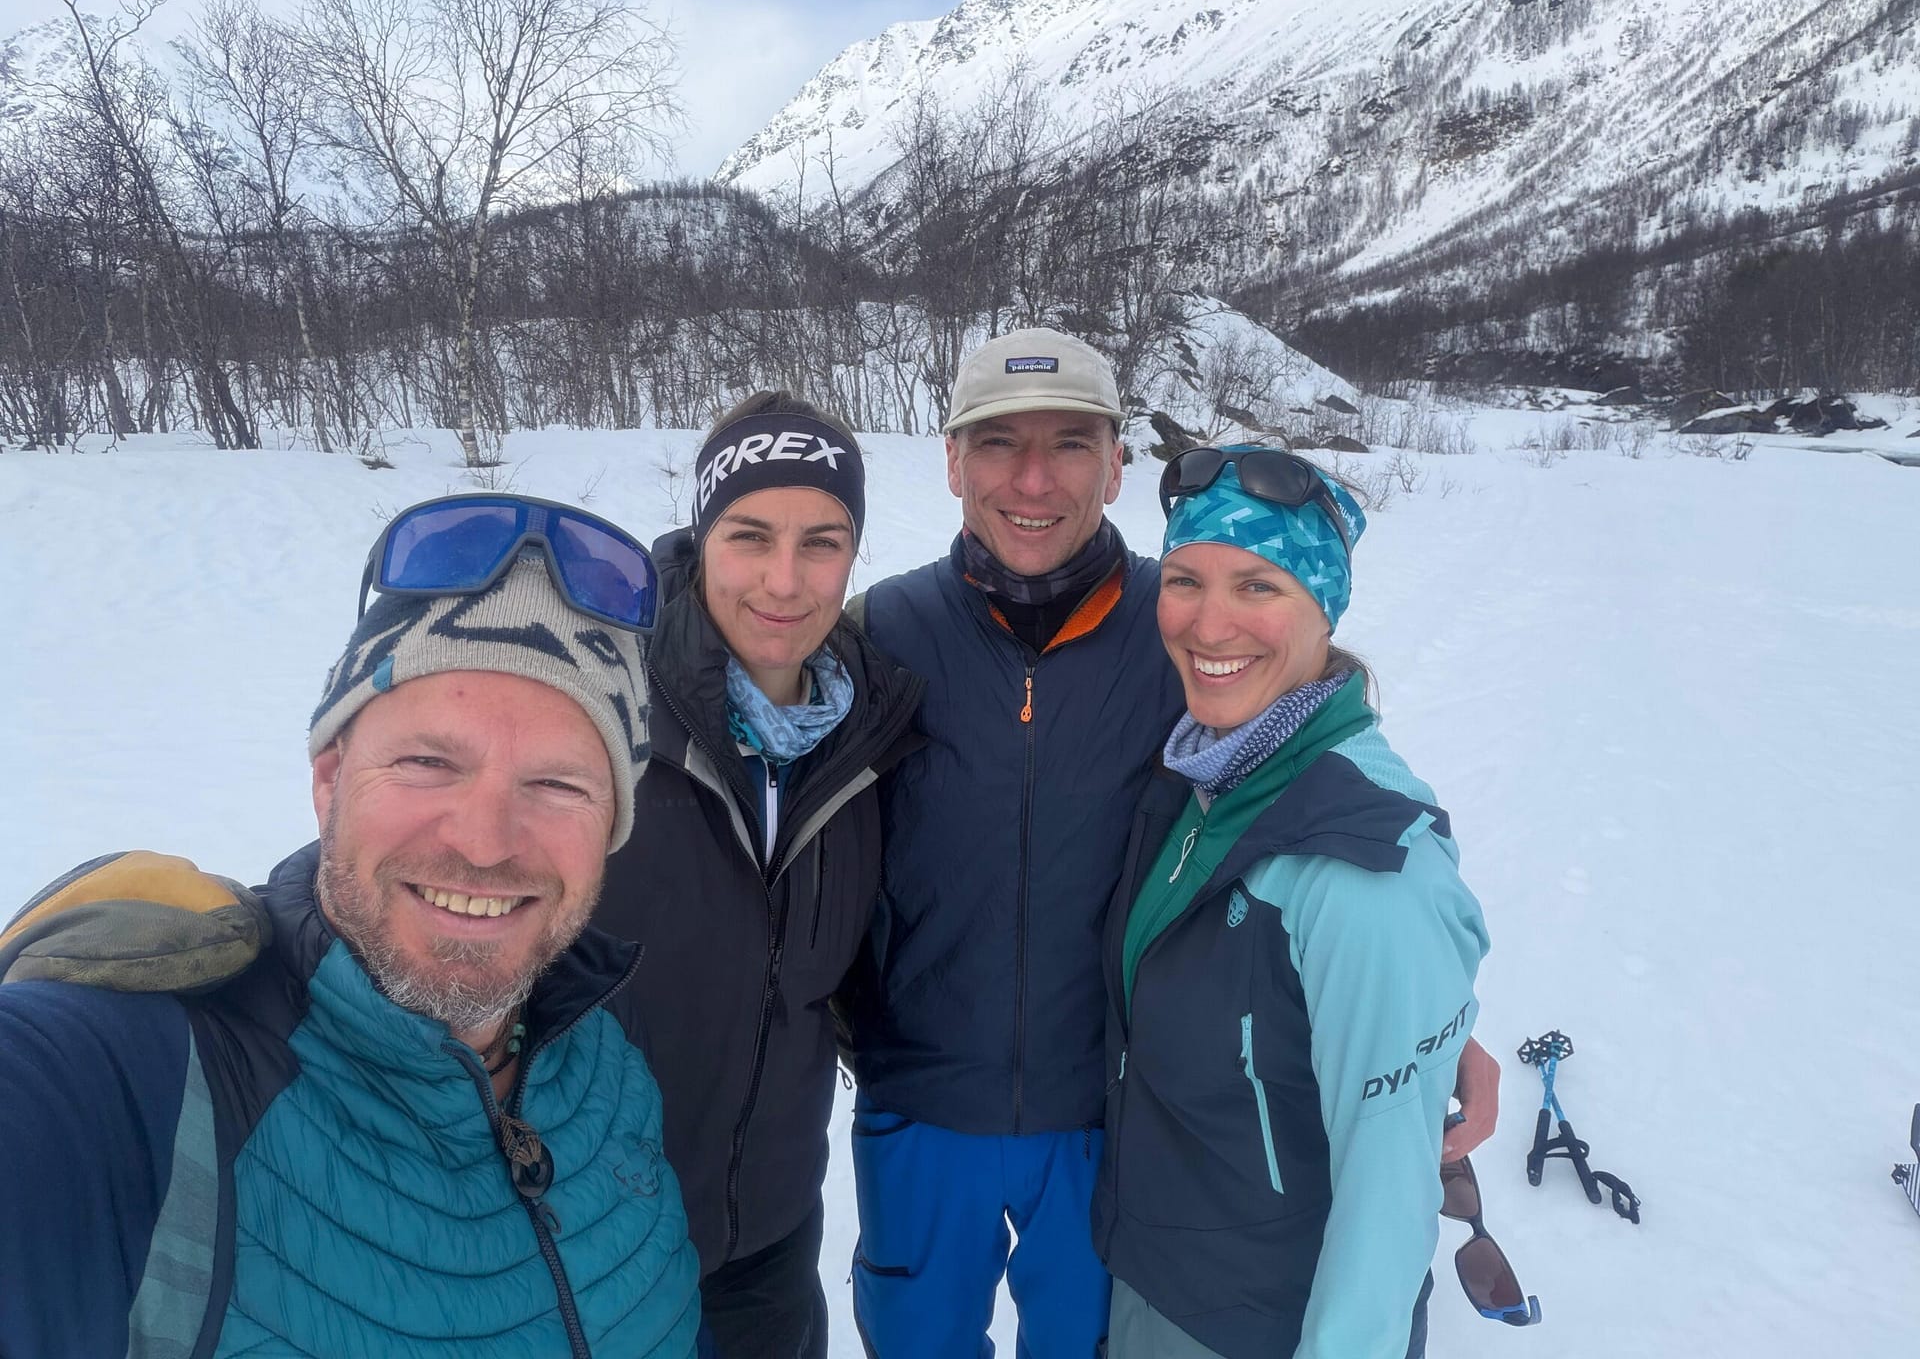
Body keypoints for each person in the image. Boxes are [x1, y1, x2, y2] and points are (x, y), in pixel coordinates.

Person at [842, 329, 1500, 1357]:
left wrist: (1423, 1029)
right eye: (998, 442)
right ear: (952, 461)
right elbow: (790, 846)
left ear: (1116, 465)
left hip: (1109, 1123)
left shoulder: (1185, 627)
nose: (1032, 479)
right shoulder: (879, 633)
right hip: (919, 1104)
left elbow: (1331, 820)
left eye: (1070, 443)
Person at [0, 500, 702, 1358]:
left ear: (613, 827)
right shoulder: (143, 1082)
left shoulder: (603, 1048)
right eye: (428, 762)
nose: (484, 843)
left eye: (558, 784)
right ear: (330, 778)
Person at [1093, 446, 1490, 1359]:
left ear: (1323, 608)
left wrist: (1428, 1024)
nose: (1210, 623)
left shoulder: (1366, 872)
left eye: (1258, 587)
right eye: (1185, 581)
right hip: (1156, 1277)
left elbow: (1388, 1213)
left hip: (1263, 1323)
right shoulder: (1202, 773)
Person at [593, 392, 923, 1359]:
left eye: (821, 542)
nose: (785, 581)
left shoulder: (869, 737)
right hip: (588, 1239)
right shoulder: (604, 700)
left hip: (769, 1241)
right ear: (703, 538)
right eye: (750, 536)